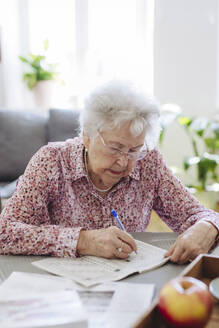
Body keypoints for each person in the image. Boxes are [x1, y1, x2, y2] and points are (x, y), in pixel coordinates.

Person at [0, 80, 218, 264]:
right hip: (60, 287)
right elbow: (5, 233)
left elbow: (198, 214)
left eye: (134, 150)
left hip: (128, 280)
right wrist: (84, 241)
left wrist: (207, 227)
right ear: (87, 136)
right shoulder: (51, 161)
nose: (124, 161)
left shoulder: (148, 162)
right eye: (115, 148)